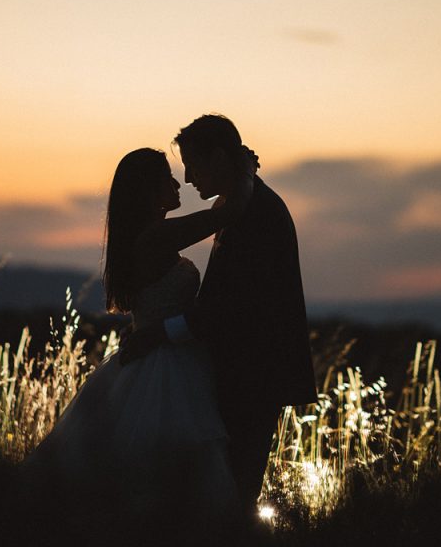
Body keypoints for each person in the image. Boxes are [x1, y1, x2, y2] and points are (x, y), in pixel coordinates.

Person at [21, 146, 254, 535]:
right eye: (166, 177)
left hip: (162, 351)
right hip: (166, 363)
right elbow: (228, 214)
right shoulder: (157, 236)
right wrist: (244, 171)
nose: (176, 182)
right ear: (148, 189)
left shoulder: (148, 237)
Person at [119, 114, 317, 520]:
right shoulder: (238, 207)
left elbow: (236, 306)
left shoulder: (255, 213)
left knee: (229, 499)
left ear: (220, 158)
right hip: (232, 376)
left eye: (193, 164)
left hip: (253, 377)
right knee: (212, 500)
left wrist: (160, 333)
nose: (188, 179)